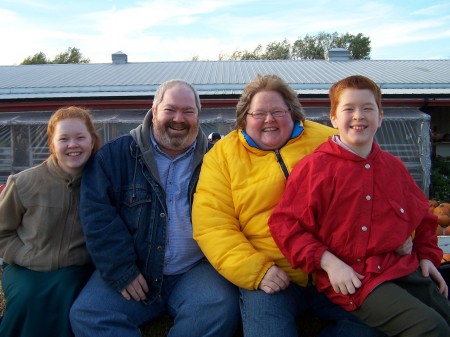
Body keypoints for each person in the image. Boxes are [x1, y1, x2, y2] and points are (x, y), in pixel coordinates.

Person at [192, 74, 387, 337]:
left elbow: (380, 186)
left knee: (370, 327)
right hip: (272, 274)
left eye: (278, 112)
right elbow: (212, 225)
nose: (269, 120)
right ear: (244, 118)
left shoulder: (328, 140)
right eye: (258, 113)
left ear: (293, 113)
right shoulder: (222, 157)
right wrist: (256, 270)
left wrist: (406, 238)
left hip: (336, 269)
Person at [269, 75, 450, 337]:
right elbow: (284, 226)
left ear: (380, 117)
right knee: (431, 329)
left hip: (400, 267)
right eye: (348, 109)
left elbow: (423, 218)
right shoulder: (315, 169)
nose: (358, 116)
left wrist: (427, 255)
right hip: (356, 279)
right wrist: (329, 263)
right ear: (333, 119)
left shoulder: (393, 168)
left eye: (367, 108)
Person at [69, 79, 240, 337]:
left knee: (220, 308)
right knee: (88, 314)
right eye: (170, 109)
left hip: (194, 271)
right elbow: (98, 218)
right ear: (154, 109)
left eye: (188, 111)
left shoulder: (217, 159)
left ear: (198, 115)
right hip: (135, 268)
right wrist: (122, 270)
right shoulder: (113, 157)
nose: (178, 118)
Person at [0, 106, 101, 337]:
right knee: (26, 299)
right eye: (63, 138)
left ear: (92, 141)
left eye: (80, 137)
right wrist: (26, 256)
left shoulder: (103, 183)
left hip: (74, 270)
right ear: (52, 144)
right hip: (26, 268)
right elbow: (2, 233)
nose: (72, 145)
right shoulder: (23, 182)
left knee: (69, 299)